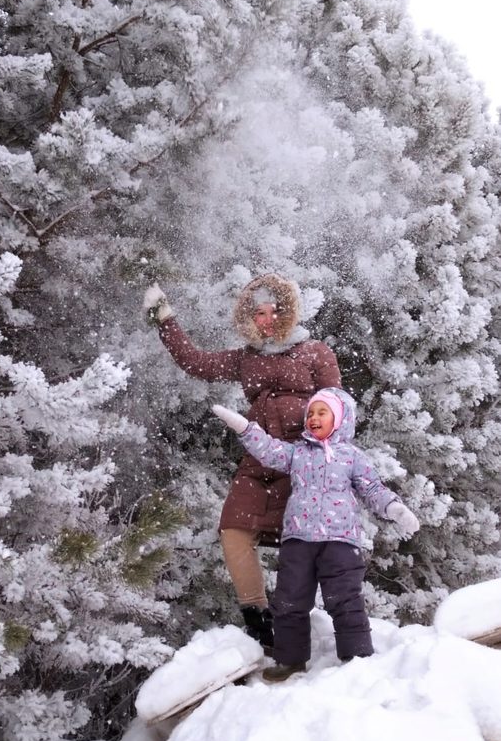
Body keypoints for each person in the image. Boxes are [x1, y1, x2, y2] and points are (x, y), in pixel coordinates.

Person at [143, 274, 342, 651]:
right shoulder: (245, 359)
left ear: (287, 312)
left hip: (303, 459)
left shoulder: (315, 352)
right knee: (233, 529)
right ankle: (257, 620)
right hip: (257, 461)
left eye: (273, 311)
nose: (266, 320)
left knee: (300, 543)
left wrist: (327, 456)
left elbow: (339, 407)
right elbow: (195, 362)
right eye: (258, 313)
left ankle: (302, 626)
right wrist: (164, 319)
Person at [212, 387, 420, 680]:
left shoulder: (351, 457)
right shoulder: (297, 453)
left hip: (340, 543)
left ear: (340, 419)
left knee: (346, 600)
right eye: (310, 413)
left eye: (322, 412)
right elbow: (268, 449)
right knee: (289, 601)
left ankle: (357, 657)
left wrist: (395, 509)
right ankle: (290, 660)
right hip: (299, 541)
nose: (313, 418)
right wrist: (245, 427)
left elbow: (373, 489)